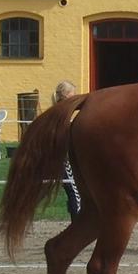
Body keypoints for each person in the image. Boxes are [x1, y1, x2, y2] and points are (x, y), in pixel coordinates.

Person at [52, 80, 81, 221]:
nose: (75, 96)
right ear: (66, 95)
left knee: (73, 191)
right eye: (73, 94)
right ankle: (77, 222)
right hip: (62, 159)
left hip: (61, 157)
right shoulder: (61, 113)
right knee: (74, 192)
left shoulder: (58, 111)